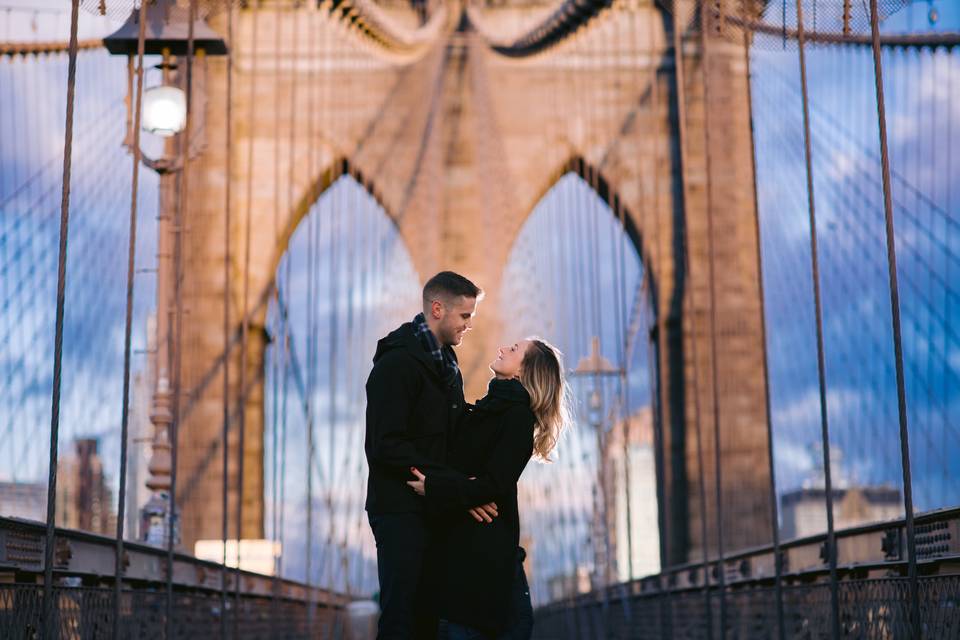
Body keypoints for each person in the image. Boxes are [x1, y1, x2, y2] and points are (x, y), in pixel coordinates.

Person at [407, 338, 570, 639]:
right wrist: (465, 490)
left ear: (524, 371)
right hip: (461, 558)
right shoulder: (485, 409)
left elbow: (494, 484)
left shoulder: (518, 416)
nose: (503, 347)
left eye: (515, 349)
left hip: (488, 565)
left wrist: (437, 488)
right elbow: (463, 473)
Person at [365, 271, 497, 640]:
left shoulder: (448, 367)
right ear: (438, 309)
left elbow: (454, 441)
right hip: (399, 511)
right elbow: (386, 445)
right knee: (401, 618)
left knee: (429, 619)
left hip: (436, 509)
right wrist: (454, 485)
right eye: (465, 316)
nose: (470, 325)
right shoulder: (396, 364)